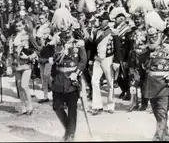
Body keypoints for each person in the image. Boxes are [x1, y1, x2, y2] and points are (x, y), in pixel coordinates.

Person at [50, 12, 87, 142]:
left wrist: (76, 73)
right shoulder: (57, 43)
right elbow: (52, 59)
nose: (67, 34)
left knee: (72, 108)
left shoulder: (78, 43)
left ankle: (70, 134)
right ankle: (68, 129)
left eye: (68, 31)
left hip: (72, 79)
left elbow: (83, 61)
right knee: (57, 106)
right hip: (59, 79)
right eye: (64, 32)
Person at [141, 26, 169, 141]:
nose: (152, 39)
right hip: (151, 85)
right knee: (158, 115)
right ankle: (166, 138)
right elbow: (142, 66)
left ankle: (157, 139)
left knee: (162, 114)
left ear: (159, 36)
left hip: (164, 85)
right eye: (150, 37)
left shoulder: (168, 49)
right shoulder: (146, 50)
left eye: (154, 36)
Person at [89, 12, 121, 115]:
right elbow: (94, 46)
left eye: (101, 20)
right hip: (98, 59)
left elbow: (118, 48)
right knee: (94, 81)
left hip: (108, 59)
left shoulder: (113, 32)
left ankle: (110, 105)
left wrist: (116, 61)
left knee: (110, 82)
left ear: (106, 21)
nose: (99, 22)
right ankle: (97, 105)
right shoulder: (97, 31)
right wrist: (91, 58)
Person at [11, 18, 37, 115]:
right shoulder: (13, 37)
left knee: (24, 85)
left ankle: (30, 106)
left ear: (23, 25)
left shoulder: (28, 35)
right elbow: (10, 52)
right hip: (17, 64)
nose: (18, 28)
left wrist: (29, 56)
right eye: (16, 26)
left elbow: (37, 49)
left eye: (20, 26)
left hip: (26, 64)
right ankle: (23, 106)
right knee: (19, 86)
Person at [36, 12, 55, 103]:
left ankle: (55, 92)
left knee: (47, 74)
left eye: (42, 18)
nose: (40, 20)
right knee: (42, 76)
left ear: (46, 19)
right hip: (41, 54)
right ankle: (45, 96)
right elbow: (37, 42)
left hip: (49, 53)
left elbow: (53, 43)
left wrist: (52, 55)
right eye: (39, 18)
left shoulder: (50, 28)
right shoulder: (38, 28)